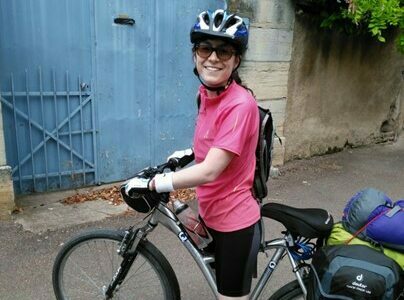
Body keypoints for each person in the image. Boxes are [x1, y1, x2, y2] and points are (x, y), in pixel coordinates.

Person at [149, 9, 261, 300]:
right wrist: (183, 156)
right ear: (194, 55)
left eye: (224, 51)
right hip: (211, 210)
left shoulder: (240, 104)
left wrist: (157, 183)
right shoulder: (206, 94)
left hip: (234, 222)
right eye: (204, 48)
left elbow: (211, 169)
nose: (213, 57)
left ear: (236, 60)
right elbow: (212, 142)